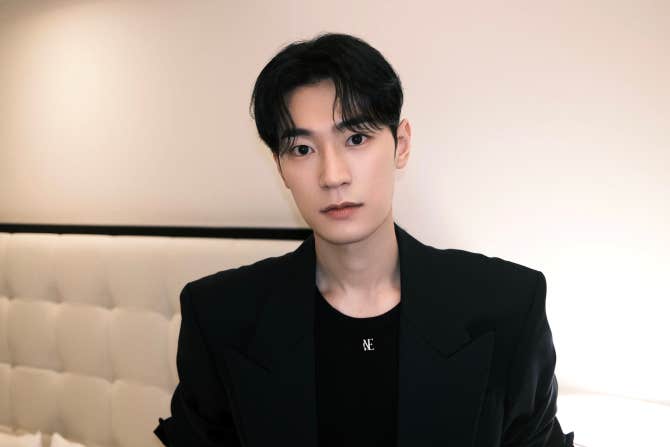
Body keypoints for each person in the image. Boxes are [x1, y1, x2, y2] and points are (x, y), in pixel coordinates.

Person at [153, 32, 575, 447]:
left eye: (356, 139)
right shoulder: (220, 317)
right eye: (302, 149)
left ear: (401, 145)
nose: (332, 176)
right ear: (280, 167)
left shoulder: (508, 307)